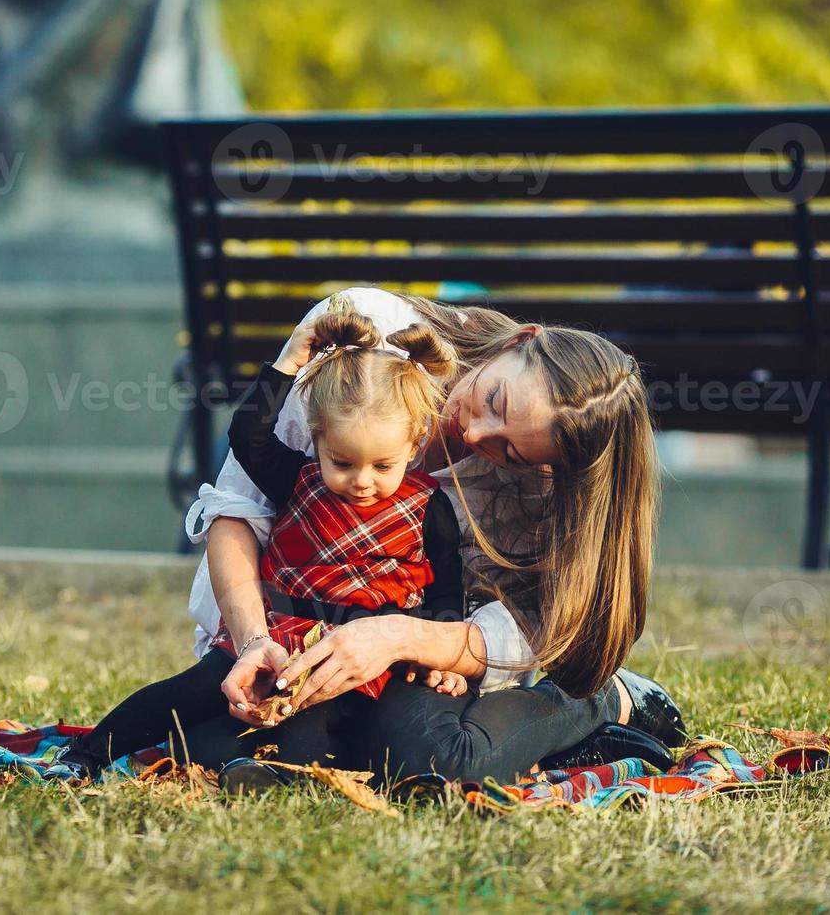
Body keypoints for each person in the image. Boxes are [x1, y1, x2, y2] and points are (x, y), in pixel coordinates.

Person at [185, 287, 686, 786]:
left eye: (509, 452)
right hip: (280, 627)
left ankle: (599, 701)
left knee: (428, 766)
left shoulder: (546, 478)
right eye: (494, 399)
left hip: (428, 657)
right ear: (520, 341)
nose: (474, 435)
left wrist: (405, 639)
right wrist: (255, 642)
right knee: (234, 743)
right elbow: (238, 513)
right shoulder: (365, 340)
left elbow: (540, 623)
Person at [59, 306, 471, 774]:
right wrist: (286, 365)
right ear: (316, 438)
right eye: (342, 461)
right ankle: (84, 756)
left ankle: (253, 766)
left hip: (359, 658)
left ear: (414, 443)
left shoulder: (427, 507)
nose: (361, 480)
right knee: (190, 691)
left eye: (381, 466)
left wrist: (440, 659)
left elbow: (444, 589)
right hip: (277, 635)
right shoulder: (298, 479)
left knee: (306, 736)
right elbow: (247, 435)